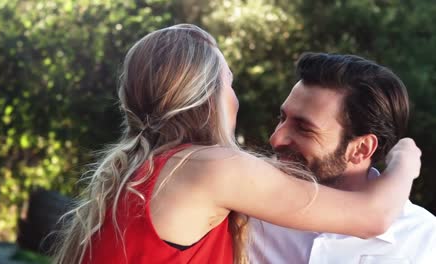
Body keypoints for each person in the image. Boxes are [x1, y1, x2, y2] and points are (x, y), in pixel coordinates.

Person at [52, 25, 421, 264]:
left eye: (304, 127)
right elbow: (374, 216)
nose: (276, 138)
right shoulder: (212, 171)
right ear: (208, 97)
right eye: (230, 84)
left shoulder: (142, 173)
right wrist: (405, 158)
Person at [249, 53, 436, 264]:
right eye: (281, 118)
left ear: (361, 149)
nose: (276, 138)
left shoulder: (424, 240)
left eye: (304, 128)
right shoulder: (246, 210)